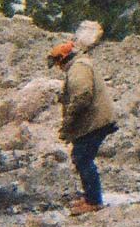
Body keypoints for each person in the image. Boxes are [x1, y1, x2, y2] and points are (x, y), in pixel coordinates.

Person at [50, 22, 117, 216]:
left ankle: (94, 201)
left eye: (57, 63)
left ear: (63, 59)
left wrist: (68, 125)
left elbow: (82, 97)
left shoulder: (78, 68)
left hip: (95, 121)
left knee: (83, 157)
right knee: (82, 156)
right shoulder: (80, 65)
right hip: (97, 119)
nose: (58, 68)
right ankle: (90, 197)